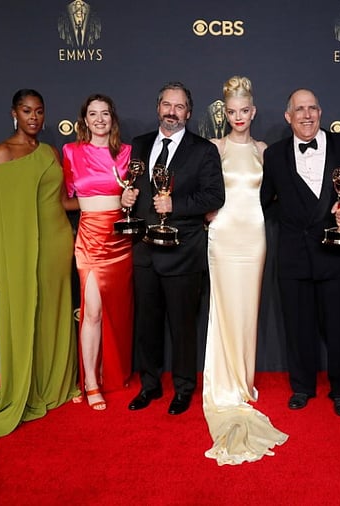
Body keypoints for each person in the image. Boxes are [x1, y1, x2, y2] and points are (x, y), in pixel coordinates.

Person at [0, 88, 80, 437]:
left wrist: (105, 198)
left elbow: (63, 201)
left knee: (53, 311)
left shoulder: (49, 152)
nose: (34, 117)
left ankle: (54, 384)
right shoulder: (2, 153)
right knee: (26, 311)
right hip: (21, 250)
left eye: (39, 111)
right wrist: (10, 253)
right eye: (27, 110)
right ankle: (25, 388)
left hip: (56, 242)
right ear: (14, 113)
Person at [260, 88, 340, 417]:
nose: (307, 115)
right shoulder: (275, 155)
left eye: (312, 109)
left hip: (335, 252)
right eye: (299, 110)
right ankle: (303, 387)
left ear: (320, 113)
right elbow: (264, 201)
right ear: (288, 117)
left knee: (339, 327)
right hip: (294, 254)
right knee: (297, 327)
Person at [120, 81, 224, 415]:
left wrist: (174, 205)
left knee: (183, 327)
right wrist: (127, 198)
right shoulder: (139, 144)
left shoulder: (203, 149)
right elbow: (132, 186)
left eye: (179, 107)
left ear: (189, 113)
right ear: (158, 108)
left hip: (183, 251)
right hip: (145, 252)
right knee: (146, 326)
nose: (172, 112)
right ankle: (149, 386)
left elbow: (214, 196)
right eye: (167, 105)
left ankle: (183, 388)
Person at [201, 76, 289, 465]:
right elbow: (203, 188)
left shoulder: (264, 150)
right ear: (226, 113)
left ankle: (243, 382)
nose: (238, 117)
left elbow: (273, 193)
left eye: (244, 111)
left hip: (253, 236)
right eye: (231, 112)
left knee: (248, 310)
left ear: (253, 112)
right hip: (222, 235)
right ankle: (225, 384)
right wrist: (206, 211)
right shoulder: (213, 148)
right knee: (224, 308)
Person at [61, 93, 134, 411]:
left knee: (116, 311)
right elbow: (65, 200)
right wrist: (94, 208)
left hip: (121, 242)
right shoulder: (72, 151)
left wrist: (126, 201)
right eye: (93, 114)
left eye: (105, 113)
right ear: (84, 120)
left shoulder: (128, 153)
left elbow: (134, 196)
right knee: (90, 312)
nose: (100, 119)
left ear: (112, 118)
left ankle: (115, 374)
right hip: (90, 239)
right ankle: (90, 381)